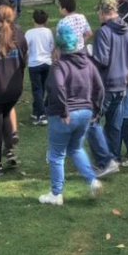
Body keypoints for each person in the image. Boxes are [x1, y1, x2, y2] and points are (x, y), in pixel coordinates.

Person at [40, 19, 105, 205]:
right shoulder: (88, 63)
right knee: (76, 148)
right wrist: (96, 111)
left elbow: (58, 88)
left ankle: (56, 194)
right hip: (86, 112)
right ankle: (93, 181)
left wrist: (63, 111)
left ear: (58, 48)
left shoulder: (59, 66)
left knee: (56, 154)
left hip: (65, 115)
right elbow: (100, 88)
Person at [0, 3, 26, 177]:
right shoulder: (20, 34)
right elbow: (24, 60)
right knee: (7, 114)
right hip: (14, 86)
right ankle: (10, 152)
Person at [92, 0, 128, 167]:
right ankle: (115, 157)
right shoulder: (127, 30)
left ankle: (104, 161)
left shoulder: (104, 32)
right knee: (114, 124)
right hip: (122, 83)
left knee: (92, 122)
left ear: (103, 12)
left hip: (106, 84)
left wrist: (88, 58)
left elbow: (101, 60)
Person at [25, 8, 54, 125]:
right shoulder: (48, 32)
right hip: (47, 63)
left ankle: (41, 115)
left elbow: (25, 48)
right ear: (46, 20)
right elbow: (52, 46)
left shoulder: (29, 33)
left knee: (37, 90)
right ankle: (36, 111)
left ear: (33, 19)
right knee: (42, 88)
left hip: (34, 64)